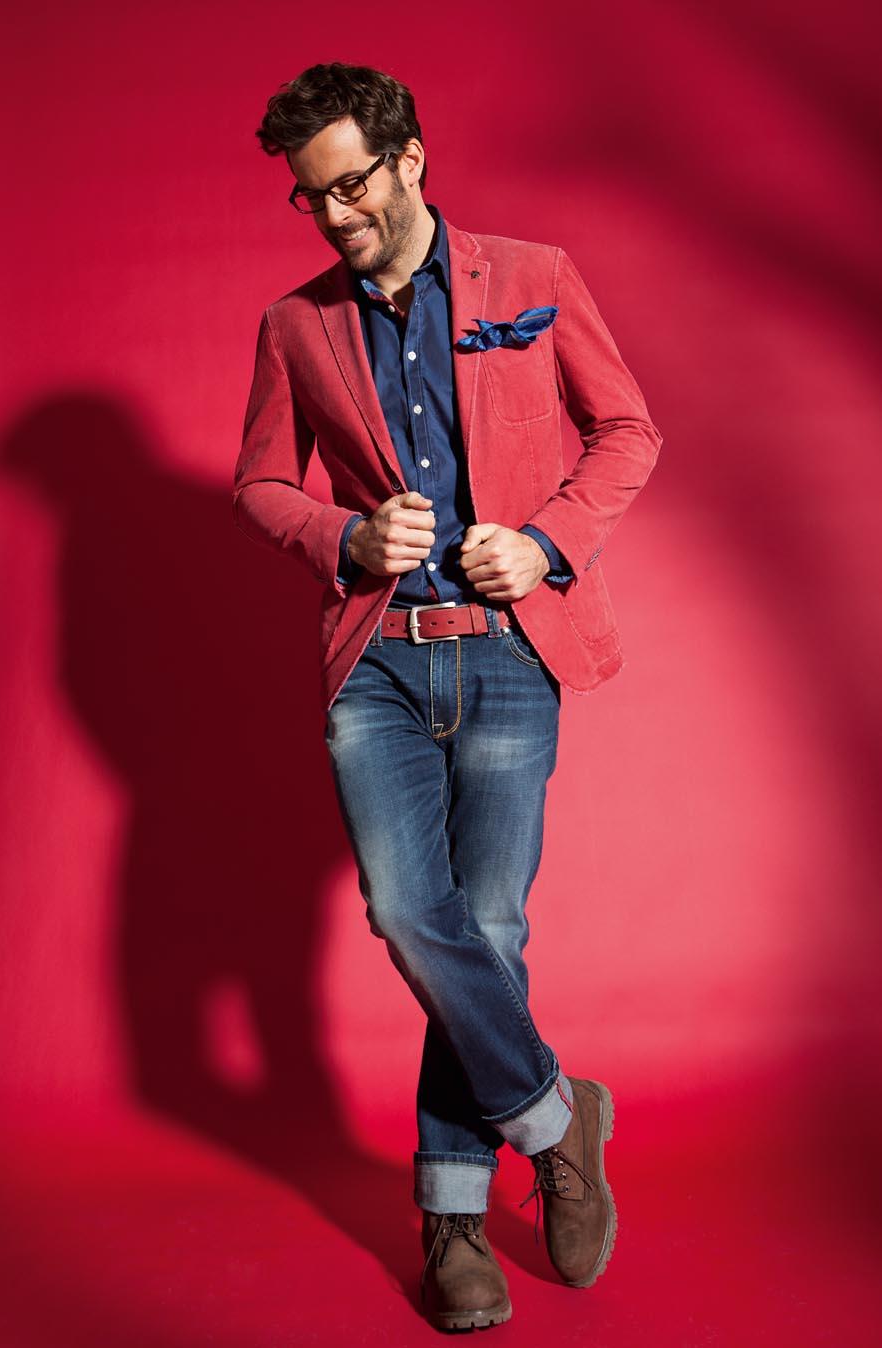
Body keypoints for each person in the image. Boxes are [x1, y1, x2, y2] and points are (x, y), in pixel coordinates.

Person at [233, 61, 662, 1332]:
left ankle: (452, 1218)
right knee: (408, 913)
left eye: (350, 186)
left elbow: (626, 431)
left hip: (511, 652)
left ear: (410, 158)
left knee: (487, 926)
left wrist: (542, 543)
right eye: (310, 197)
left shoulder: (530, 277)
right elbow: (260, 484)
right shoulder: (294, 325)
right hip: (378, 659)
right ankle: (556, 1117)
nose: (334, 216)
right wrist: (344, 536)